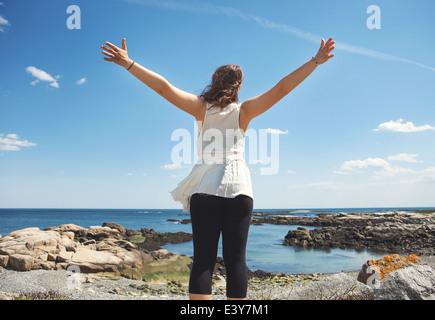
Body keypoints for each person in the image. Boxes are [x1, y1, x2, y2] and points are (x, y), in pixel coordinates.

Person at [101, 37, 335, 300]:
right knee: (236, 260)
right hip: (240, 190)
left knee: (203, 260)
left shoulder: (201, 109)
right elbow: (281, 89)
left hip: (205, 189)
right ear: (238, 86)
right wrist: (315, 61)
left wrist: (129, 64)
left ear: (214, 82)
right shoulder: (244, 111)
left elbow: (164, 89)